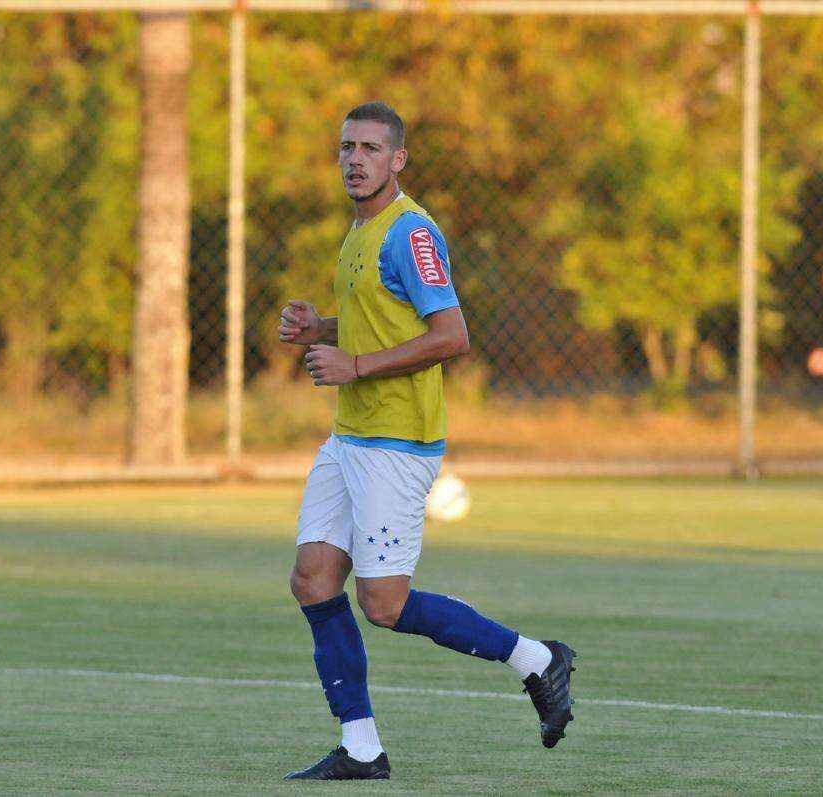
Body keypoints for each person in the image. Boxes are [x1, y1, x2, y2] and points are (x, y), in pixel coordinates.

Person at [277, 101, 577, 781]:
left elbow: (451, 336)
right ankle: (360, 748)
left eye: (371, 148)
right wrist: (319, 330)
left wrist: (350, 364)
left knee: (383, 604)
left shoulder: (409, 232)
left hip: (396, 443)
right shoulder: (358, 230)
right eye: (346, 146)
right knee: (314, 578)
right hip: (350, 436)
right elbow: (377, 326)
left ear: (399, 160)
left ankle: (536, 658)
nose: (355, 158)